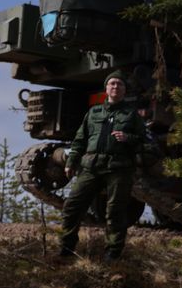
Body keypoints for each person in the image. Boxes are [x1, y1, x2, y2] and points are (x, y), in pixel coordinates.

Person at [58, 71, 148, 260]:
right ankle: (66, 248)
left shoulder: (131, 115)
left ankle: (112, 255)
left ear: (124, 90)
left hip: (119, 167)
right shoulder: (94, 112)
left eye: (120, 84)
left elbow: (146, 143)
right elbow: (80, 139)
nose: (115, 87)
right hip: (91, 166)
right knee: (72, 206)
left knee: (115, 212)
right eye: (112, 84)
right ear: (106, 88)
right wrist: (71, 161)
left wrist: (128, 138)